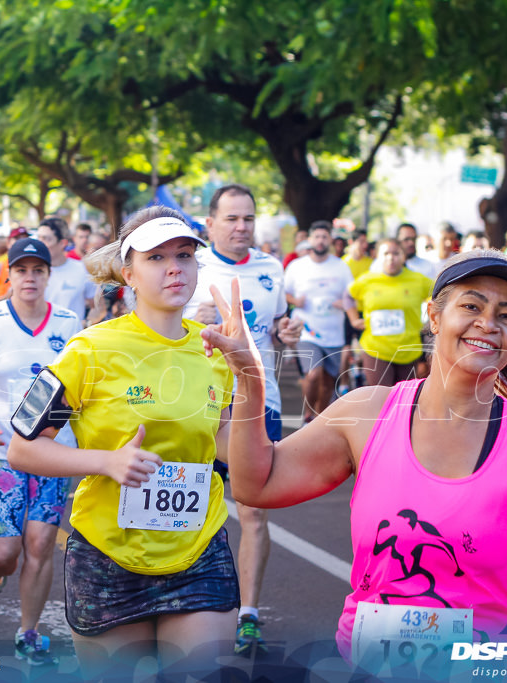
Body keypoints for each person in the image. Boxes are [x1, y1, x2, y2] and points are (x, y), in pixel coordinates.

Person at [202, 248, 507, 676]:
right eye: (471, 305)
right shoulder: (368, 413)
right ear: (433, 316)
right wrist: (249, 379)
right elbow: (257, 484)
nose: (488, 324)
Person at [8, 207, 238, 678]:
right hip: (108, 555)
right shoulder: (88, 349)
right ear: (128, 273)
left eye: (185, 254)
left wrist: (251, 373)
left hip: (198, 550)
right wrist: (107, 462)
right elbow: (22, 447)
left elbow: (226, 440)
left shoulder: (216, 349)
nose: (175, 267)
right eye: (156, 257)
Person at [183, 184, 301, 656]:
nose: (241, 226)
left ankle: (248, 613)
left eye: (248, 218)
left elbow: (281, 327)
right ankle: (188, 601)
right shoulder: (192, 266)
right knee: (190, 507)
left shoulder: (272, 268)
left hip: (259, 404)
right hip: (200, 406)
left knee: (253, 510)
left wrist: (289, 331)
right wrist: (195, 316)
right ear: (209, 223)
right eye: (231, 218)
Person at [0, 237, 81, 666]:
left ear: (49, 276)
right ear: (9, 274)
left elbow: (83, 385)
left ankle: (28, 631)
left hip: (53, 452)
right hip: (1, 456)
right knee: (4, 554)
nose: (30, 278)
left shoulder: (69, 323)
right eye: (22, 270)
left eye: (38, 270)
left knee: (41, 543)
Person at [283, 220, 355, 420]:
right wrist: (295, 301)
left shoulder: (341, 266)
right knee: (314, 374)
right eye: (317, 237)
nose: (321, 241)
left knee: (329, 382)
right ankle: (308, 412)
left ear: (330, 240)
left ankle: (318, 418)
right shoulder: (297, 266)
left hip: (333, 332)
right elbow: (284, 293)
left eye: (324, 237)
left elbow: (352, 294)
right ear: (309, 240)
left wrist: (345, 302)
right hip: (306, 329)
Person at [347, 238, 433, 387]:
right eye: (386, 253)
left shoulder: (418, 280)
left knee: (403, 400)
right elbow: (348, 295)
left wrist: (432, 320)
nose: (390, 258)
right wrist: (354, 319)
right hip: (375, 348)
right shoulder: (367, 280)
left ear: (403, 256)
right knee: (380, 398)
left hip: (408, 349)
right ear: (378, 256)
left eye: (396, 253)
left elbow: (441, 295)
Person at [36, 217, 96, 323]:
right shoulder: (31, 273)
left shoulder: (82, 269)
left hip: (72, 338)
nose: (40, 244)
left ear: (62, 243)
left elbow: (98, 308)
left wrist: (87, 324)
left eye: (46, 239)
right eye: (39, 238)